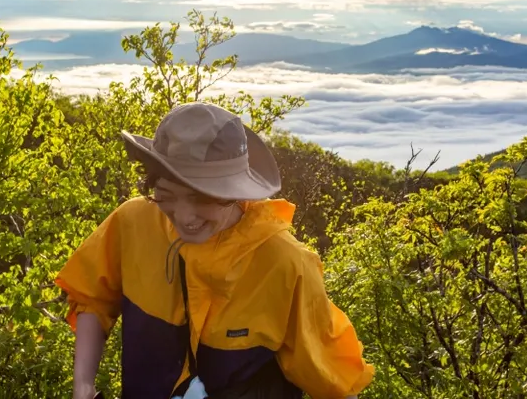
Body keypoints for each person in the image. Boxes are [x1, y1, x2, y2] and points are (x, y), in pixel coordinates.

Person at [55, 102, 374, 399]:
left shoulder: (284, 264)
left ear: (235, 193)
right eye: (165, 195)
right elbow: (92, 297)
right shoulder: (134, 221)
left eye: (203, 199)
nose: (184, 216)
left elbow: (333, 380)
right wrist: (83, 386)